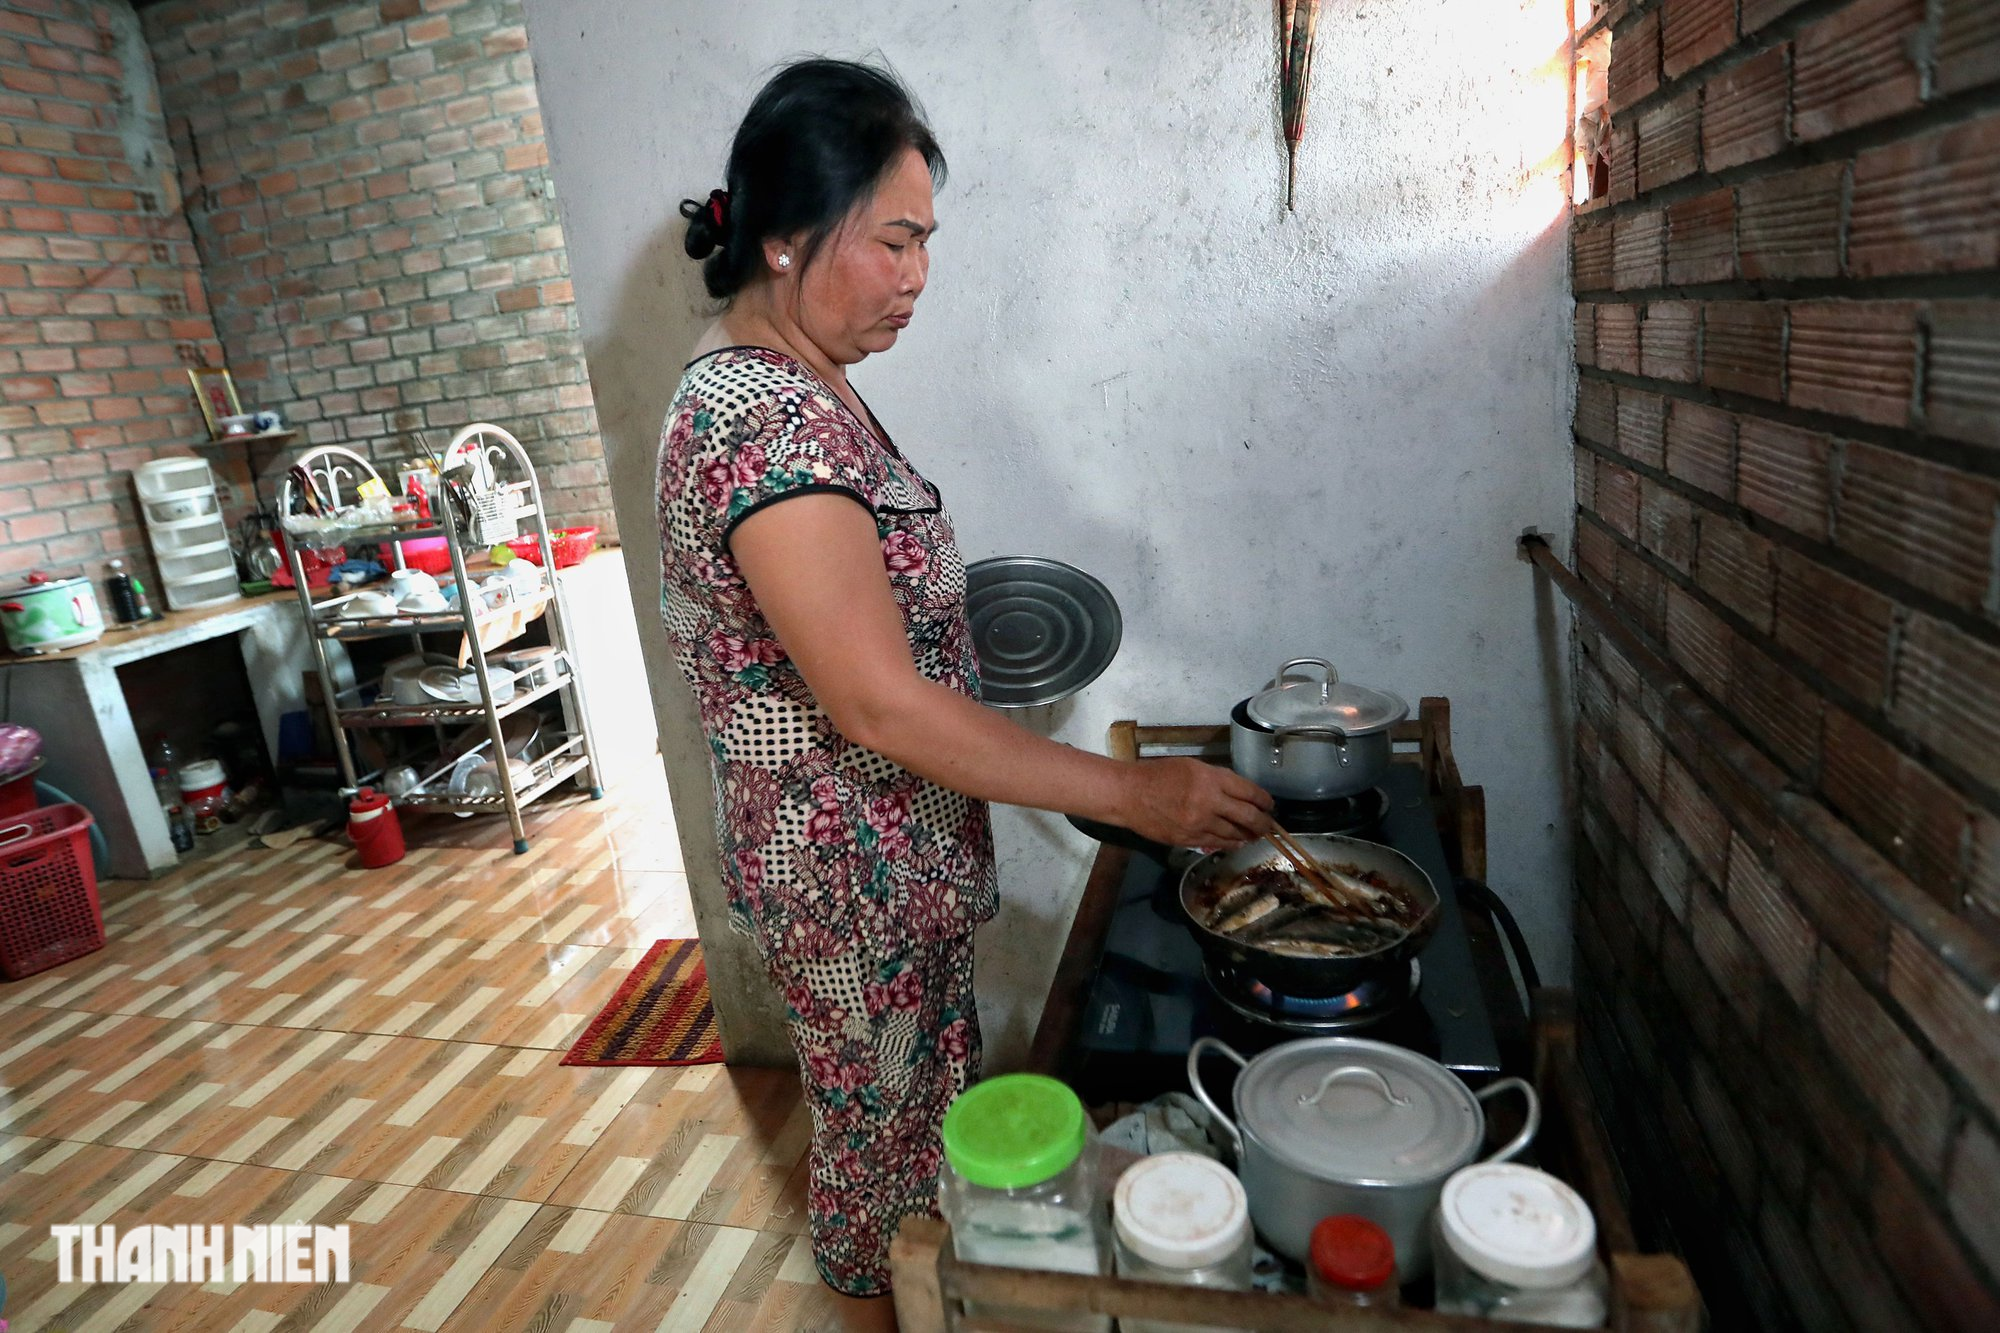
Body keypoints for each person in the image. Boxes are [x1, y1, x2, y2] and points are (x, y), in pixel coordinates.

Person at [657, 57, 1275, 1296]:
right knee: (885, 1185)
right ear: (784, 236)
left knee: (923, 1146)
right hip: (848, 881)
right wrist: (1131, 794)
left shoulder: (802, 384)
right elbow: (874, 701)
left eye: (923, 243)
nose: (915, 277)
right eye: (890, 242)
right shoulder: (757, 419)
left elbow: (848, 616)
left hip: (895, 861)